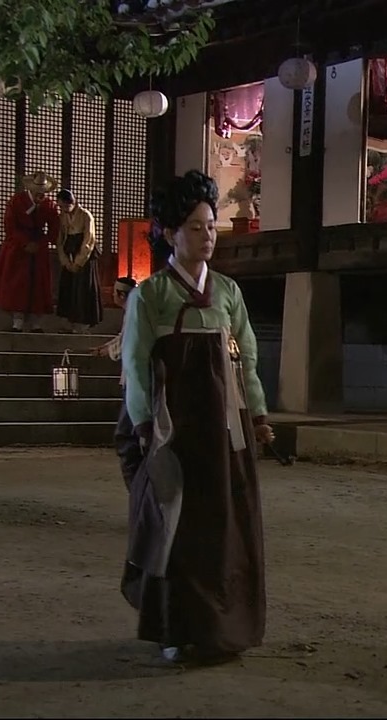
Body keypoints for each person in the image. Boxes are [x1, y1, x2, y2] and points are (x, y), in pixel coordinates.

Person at [120, 169, 272, 665]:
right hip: (175, 428)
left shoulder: (227, 292)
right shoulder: (151, 295)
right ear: (170, 234)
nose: (207, 236)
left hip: (225, 431)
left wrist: (258, 415)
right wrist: (146, 427)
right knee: (176, 528)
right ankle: (174, 628)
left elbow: (246, 358)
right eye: (195, 227)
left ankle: (222, 630)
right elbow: (136, 366)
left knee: (225, 527)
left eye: (211, 226)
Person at [0, 171, 61, 332]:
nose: (40, 195)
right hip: (18, 247)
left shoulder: (49, 205)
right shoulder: (16, 201)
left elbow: (55, 228)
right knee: (17, 284)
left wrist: (44, 242)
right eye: (37, 192)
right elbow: (9, 226)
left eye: (43, 192)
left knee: (39, 284)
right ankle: (17, 321)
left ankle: (36, 322)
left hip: (39, 247)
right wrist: (24, 243)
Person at [90, 276, 141, 489]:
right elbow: (121, 338)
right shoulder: (133, 310)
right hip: (134, 379)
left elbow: (127, 341)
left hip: (135, 381)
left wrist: (109, 351)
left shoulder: (134, 311)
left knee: (126, 435)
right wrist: (105, 348)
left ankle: (137, 488)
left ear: (120, 295)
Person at [55, 189, 104, 332]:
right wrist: (65, 260)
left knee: (83, 289)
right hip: (69, 252)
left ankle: (83, 325)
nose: (63, 209)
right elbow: (60, 239)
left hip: (84, 256)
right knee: (69, 289)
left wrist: (78, 262)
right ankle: (68, 324)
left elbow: (89, 239)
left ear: (72, 202)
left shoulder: (85, 215)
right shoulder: (62, 216)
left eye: (65, 205)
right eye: (61, 207)